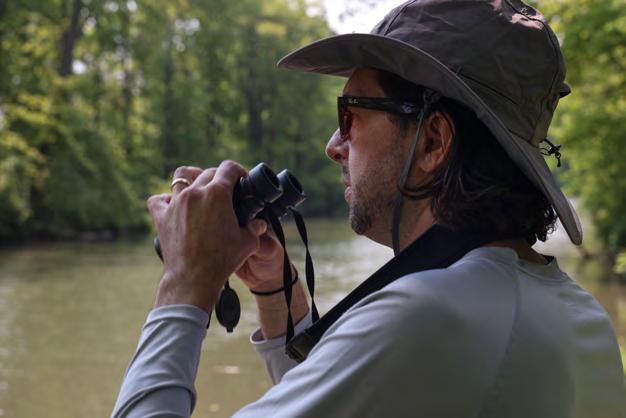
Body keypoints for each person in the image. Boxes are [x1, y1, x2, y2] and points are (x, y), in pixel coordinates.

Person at [111, 1, 626, 417]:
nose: (333, 146)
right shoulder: (581, 318)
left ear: (433, 141)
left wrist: (184, 283)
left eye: (350, 114)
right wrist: (277, 292)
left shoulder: (424, 316)